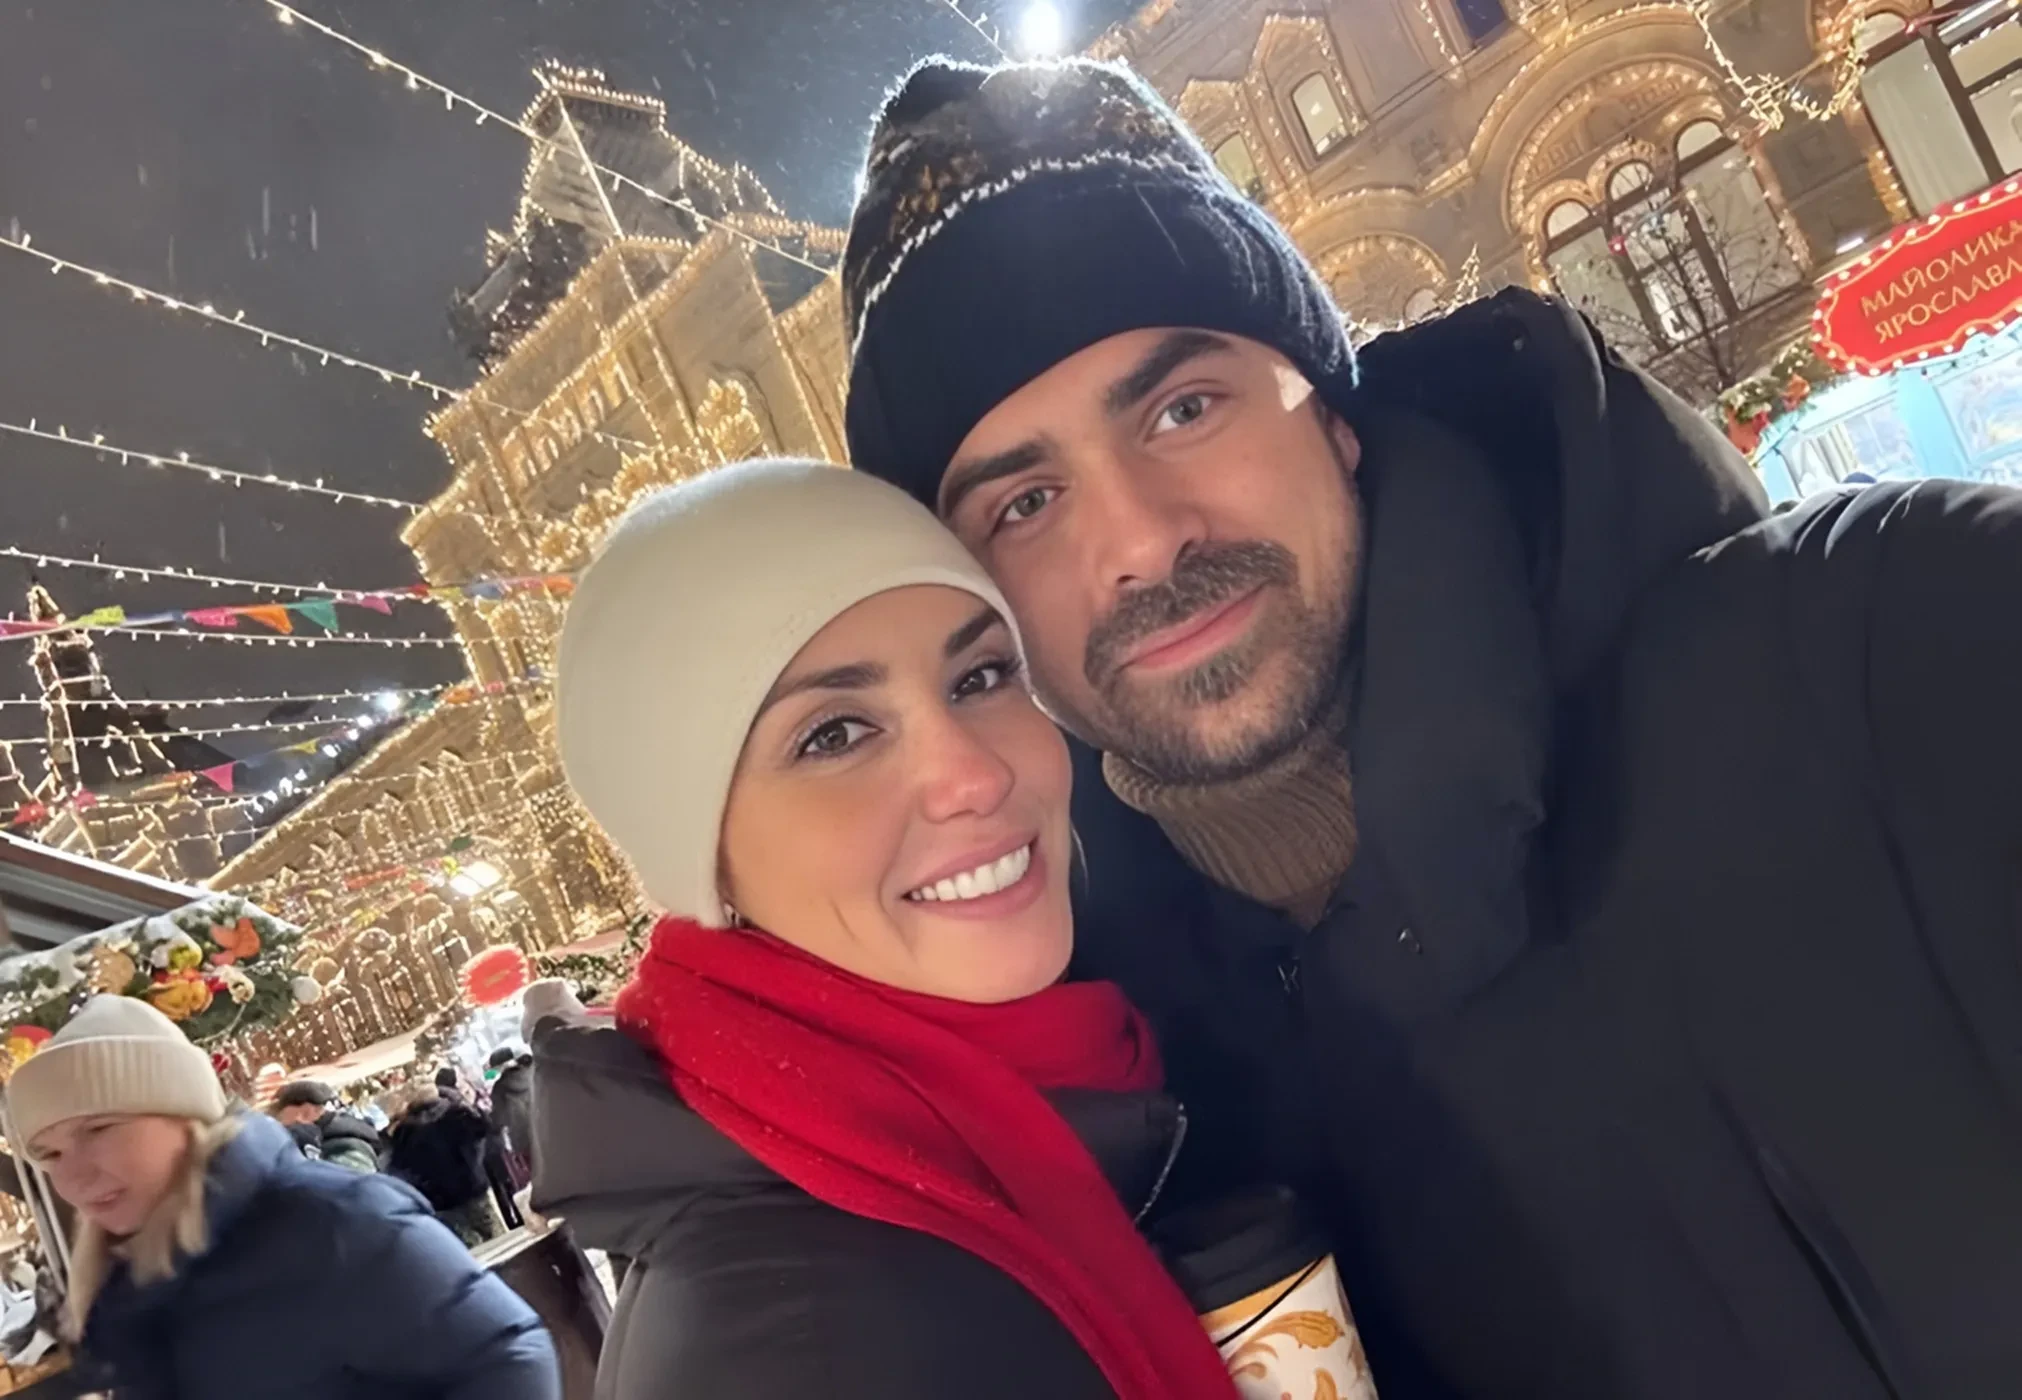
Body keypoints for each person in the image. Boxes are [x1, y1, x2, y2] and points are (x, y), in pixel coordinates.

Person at [840, 55, 2022, 1400]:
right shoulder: (1148, 1114)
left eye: (1183, 409)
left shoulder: (1898, 647)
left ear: (1331, 417)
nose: (1140, 540)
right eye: (1024, 504)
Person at [537, 458, 1245, 1398]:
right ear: (705, 856)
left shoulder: (1100, 1074)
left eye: (980, 676)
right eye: (833, 735)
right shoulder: (791, 1353)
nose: (976, 776)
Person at [2, 995, 558, 1399]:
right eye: (48, 1154)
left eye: (99, 1129)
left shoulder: (332, 1222)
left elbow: (509, 1359)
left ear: (183, 1115)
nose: (74, 1176)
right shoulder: (129, 1278)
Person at [387, 1079, 501, 1248]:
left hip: (443, 1203)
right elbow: (484, 1127)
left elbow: (402, 1172)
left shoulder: (406, 1132)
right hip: (473, 1188)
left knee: (471, 1249)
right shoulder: (458, 1115)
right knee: (497, 1238)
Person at [269, 1079, 382, 1174]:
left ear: (306, 1112)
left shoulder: (348, 1146)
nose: (277, 1123)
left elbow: (350, 1186)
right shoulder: (335, 1137)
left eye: (279, 1115)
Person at [485, 1048, 534, 1182]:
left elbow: (497, 1121)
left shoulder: (499, 1089)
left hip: (524, 1138)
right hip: (548, 1125)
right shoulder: (533, 1073)